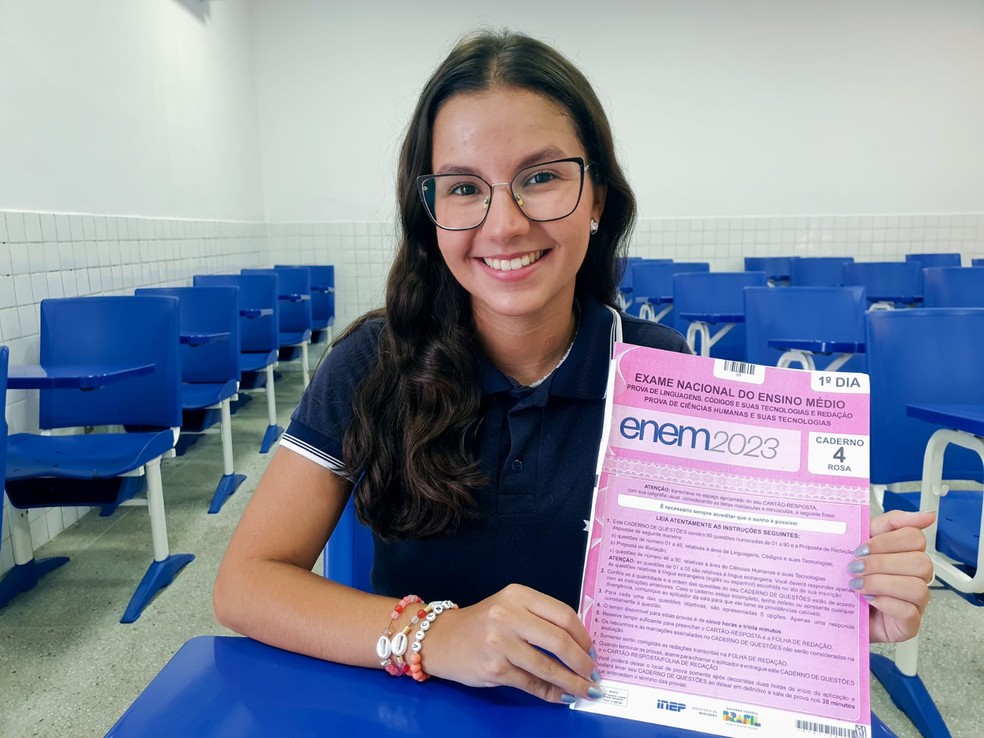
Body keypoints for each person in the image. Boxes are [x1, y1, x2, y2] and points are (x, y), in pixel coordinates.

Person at [213, 28, 935, 704]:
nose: (504, 224)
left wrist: (837, 611)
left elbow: (722, 591)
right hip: (424, 712)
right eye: (464, 187)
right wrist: (440, 635)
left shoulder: (662, 370)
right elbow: (246, 584)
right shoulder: (373, 362)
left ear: (596, 197)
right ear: (430, 215)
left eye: (542, 177)